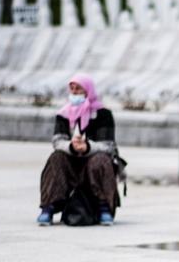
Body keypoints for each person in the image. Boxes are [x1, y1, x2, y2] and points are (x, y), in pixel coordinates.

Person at [37, 74, 119, 226]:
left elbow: (108, 145)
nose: (74, 93)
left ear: (88, 91)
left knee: (100, 160)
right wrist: (71, 147)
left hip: (93, 160)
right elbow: (57, 141)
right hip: (71, 159)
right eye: (72, 89)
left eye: (78, 89)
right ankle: (48, 207)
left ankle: (104, 207)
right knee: (57, 158)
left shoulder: (103, 114)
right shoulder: (64, 114)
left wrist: (87, 147)